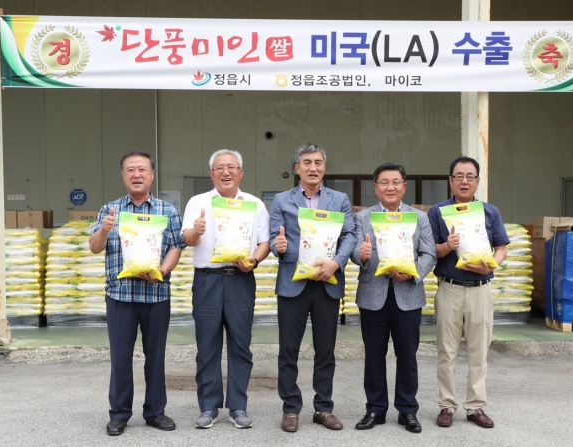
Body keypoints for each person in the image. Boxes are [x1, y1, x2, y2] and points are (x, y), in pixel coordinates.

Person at [89, 151, 184, 436]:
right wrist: (104, 231)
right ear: (123, 176)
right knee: (120, 356)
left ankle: (155, 411)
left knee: (156, 356)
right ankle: (119, 413)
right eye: (130, 170)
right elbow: (94, 247)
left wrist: (163, 272)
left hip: (156, 296)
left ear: (152, 175)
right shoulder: (110, 210)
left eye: (142, 169)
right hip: (120, 295)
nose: (136, 175)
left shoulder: (167, 210)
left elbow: (177, 246)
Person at [269, 143, 356, 433]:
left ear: (324, 168)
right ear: (297, 168)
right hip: (293, 283)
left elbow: (350, 235)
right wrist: (277, 246)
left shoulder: (339, 199)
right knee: (288, 349)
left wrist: (337, 262)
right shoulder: (282, 200)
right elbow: (274, 237)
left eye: (318, 162)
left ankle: (324, 407)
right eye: (306, 162)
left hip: (327, 282)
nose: (313, 167)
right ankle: (291, 408)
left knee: (325, 350)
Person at [182, 149, 270, 430]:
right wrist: (197, 229)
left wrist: (254, 260)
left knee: (241, 346)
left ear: (241, 173)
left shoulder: (255, 204)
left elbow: (264, 242)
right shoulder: (198, 203)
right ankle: (208, 407)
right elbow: (188, 239)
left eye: (231, 167)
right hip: (207, 279)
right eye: (219, 167)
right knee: (207, 345)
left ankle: (237, 406)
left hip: (241, 280)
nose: (225, 172)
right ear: (212, 174)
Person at [350, 162, 436, 433]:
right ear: (375, 187)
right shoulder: (362, 218)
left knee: (407, 356)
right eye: (384, 182)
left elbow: (429, 253)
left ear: (404, 186)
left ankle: (407, 410)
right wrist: (361, 255)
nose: (390, 187)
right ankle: (375, 409)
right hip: (372, 294)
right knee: (374, 355)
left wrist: (412, 274)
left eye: (395, 182)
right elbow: (354, 251)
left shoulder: (419, 217)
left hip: (407, 295)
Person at [428, 156, 509, 429]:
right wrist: (447, 246)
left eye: (470, 176)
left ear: (477, 180)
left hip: (480, 290)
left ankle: (476, 407)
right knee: (446, 352)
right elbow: (431, 251)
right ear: (450, 180)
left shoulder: (490, 212)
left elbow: (501, 246)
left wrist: (491, 265)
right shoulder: (438, 212)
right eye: (458, 176)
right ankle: (446, 406)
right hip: (449, 288)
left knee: (479, 352)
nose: (464, 181)